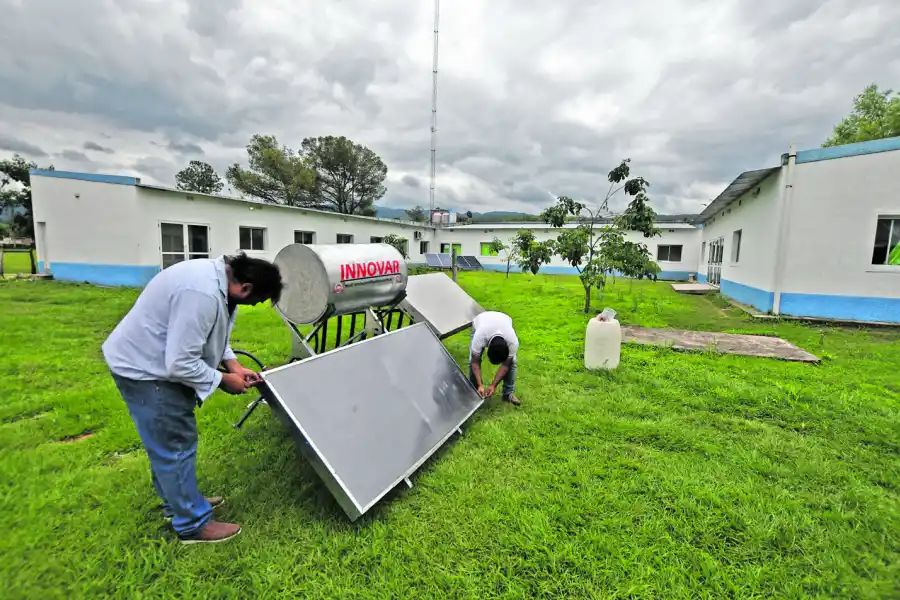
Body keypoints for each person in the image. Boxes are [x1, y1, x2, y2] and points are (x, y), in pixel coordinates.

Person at [102, 252, 283, 545]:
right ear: (246, 288)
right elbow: (180, 363)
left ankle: (178, 502)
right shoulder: (202, 293)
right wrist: (224, 381)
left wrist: (233, 365)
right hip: (148, 371)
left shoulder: (220, 282)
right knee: (174, 444)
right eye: (256, 302)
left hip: (152, 363)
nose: (251, 306)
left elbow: (213, 334)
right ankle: (192, 524)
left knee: (166, 443)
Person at [469, 310, 520, 406]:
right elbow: (475, 362)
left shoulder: (513, 341)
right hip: (481, 320)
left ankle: (508, 394)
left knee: (512, 362)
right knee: (472, 360)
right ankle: (475, 392)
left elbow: (505, 365)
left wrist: (493, 386)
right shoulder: (480, 336)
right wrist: (480, 385)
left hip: (503, 319)